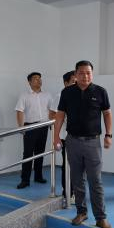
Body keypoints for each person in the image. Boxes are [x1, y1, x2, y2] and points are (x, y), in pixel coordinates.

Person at [53, 61, 113, 228]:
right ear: (76, 74)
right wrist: (56, 136)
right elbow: (60, 115)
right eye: (81, 73)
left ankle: (101, 217)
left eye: (88, 73)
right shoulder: (67, 92)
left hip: (93, 142)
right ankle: (81, 212)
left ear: (92, 74)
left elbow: (107, 114)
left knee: (95, 180)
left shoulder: (100, 91)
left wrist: (108, 135)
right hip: (72, 141)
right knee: (77, 179)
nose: (85, 76)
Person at [15, 72, 54, 189]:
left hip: (43, 126)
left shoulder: (47, 95)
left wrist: (51, 123)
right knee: (28, 153)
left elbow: (52, 110)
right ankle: (25, 180)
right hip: (30, 127)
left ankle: (38, 176)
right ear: (29, 82)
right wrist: (21, 127)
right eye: (35, 78)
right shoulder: (24, 95)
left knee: (40, 152)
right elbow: (19, 111)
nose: (39, 80)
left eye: (40, 78)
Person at [50, 71, 76, 202]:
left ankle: (75, 192)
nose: (76, 84)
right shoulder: (60, 96)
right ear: (66, 83)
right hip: (65, 137)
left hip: (78, 137)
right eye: (73, 82)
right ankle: (67, 193)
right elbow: (52, 115)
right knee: (67, 166)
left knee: (77, 166)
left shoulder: (80, 94)